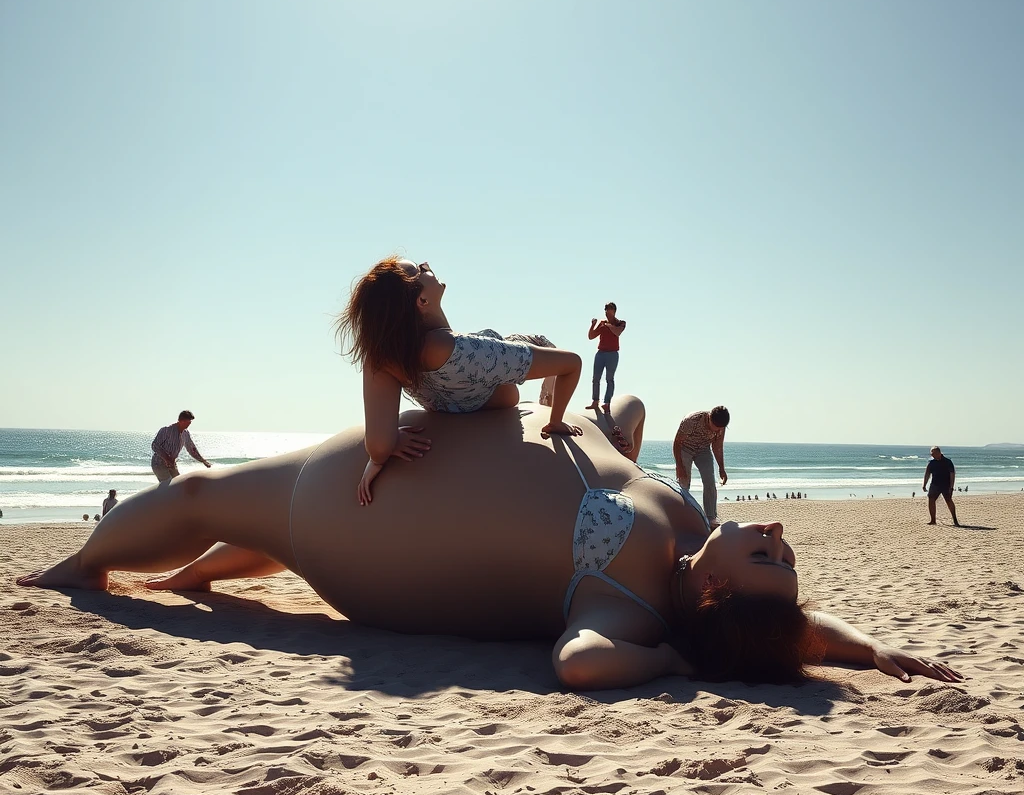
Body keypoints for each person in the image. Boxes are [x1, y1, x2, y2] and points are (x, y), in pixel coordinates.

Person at [16, 398, 959, 691]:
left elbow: (581, 664)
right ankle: (188, 575)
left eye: (766, 554)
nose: (778, 531)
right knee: (237, 515)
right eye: (782, 549)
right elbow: (792, 629)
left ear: (711, 595)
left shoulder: (628, 604)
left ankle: (73, 571)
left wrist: (669, 657)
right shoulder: (683, 539)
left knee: (212, 495)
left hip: (356, 518)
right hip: (377, 477)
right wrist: (867, 650)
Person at [336, 256, 583, 504]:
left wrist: (383, 452)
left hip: (449, 401)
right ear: (422, 301)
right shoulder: (456, 348)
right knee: (543, 342)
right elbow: (572, 364)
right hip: (493, 392)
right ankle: (547, 402)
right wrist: (556, 421)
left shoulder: (385, 357)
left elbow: (378, 447)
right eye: (419, 270)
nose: (426, 265)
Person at [673, 407, 730, 526]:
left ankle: (711, 517)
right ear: (709, 417)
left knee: (709, 481)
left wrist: (722, 468)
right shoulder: (691, 420)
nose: (718, 430)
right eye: (716, 427)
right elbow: (677, 443)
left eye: (720, 428)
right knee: (683, 482)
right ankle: (681, 514)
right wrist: (679, 466)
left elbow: (717, 447)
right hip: (685, 449)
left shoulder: (721, 426)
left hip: (703, 450)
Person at [151, 410, 212, 483]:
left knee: (179, 483)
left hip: (172, 464)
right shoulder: (166, 430)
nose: (189, 424)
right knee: (168, 485)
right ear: (181, 421)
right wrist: (167, 458)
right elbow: (155, 445)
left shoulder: (185, 433)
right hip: (159, 464)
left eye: (190, 422)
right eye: (188, 421)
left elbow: (192, 449)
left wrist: (203, 461)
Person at [586, 303, 626, 414]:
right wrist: (593, 325)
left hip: (612, 354)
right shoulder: (602, 323)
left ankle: (607, 403)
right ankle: (595, 401)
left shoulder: (620, 323)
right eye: (606, 310)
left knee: (609, 379)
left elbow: (617, 332)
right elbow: (591, 336)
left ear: (614, 311)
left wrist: (608, 325)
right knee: (596, 378)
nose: (607, 312)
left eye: (609, 310)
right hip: (601, 353)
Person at [923, 446, 959, 527]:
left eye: (933, 453)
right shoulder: (931, 462)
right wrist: (924, 484)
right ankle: (933, 520)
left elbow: (952, 474)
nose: (932, 455)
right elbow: (927, 474)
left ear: (939, 452)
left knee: (949, 501)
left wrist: (951, 486)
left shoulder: (948, 461)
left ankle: (955, 520)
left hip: (946, 485)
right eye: (931, 454)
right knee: (931, 500)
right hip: (935, 484)